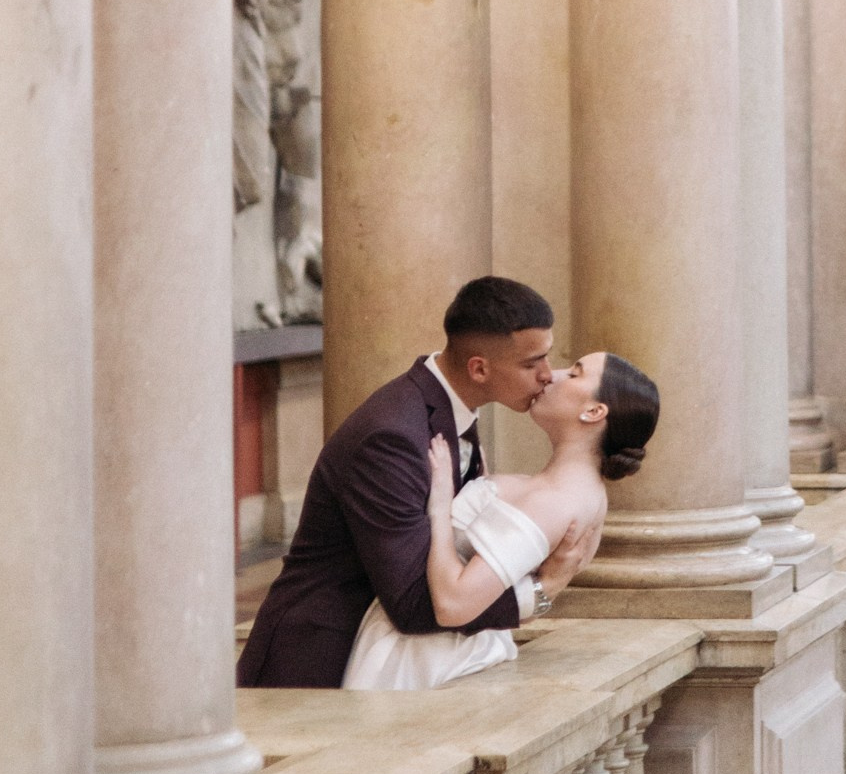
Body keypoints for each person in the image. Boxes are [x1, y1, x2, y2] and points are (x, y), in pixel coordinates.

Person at [237, 275, 589, 688]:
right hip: (316, 666)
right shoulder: (392, 437)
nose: (548, 375)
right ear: (479, 368)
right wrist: (541, 592)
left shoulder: (448, 410)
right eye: (532, 363)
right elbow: (413, 604)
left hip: (379, 660)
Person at [343, 352, 659, 689]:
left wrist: (438, 508)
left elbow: (453, 604)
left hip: (424, 662)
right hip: (443, 649)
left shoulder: (553, 501)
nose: (552, 374)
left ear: (594, 411)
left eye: (575, 374)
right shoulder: (577, 494)